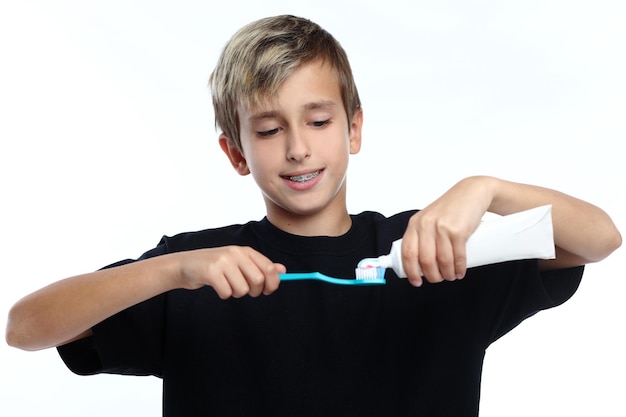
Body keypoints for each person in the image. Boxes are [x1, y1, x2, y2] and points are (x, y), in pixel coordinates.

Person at [5, 15, 621, 417]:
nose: (298, 147)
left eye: (319, 121)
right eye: (270, 130)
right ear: (236, 152)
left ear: (354, 128)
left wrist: (486, 189)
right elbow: (26, 327)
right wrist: (170, 271)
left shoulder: (434, 250)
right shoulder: (197, 272)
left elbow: (599, 239)